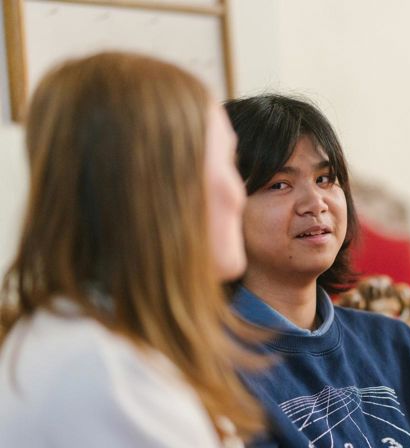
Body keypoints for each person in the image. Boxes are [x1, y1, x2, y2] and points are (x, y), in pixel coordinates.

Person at [0, 51, 268, 447]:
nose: (238, 194)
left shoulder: (89, 342)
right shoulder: (108, 376)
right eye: (227, 163)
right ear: (160, 188)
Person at [224, 93, 410, 448]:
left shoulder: (400, 348)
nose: (315, 204)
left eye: (325, 179)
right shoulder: (209, 366)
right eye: (280, 184)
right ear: (222, 205)